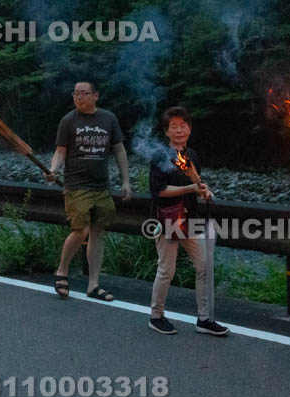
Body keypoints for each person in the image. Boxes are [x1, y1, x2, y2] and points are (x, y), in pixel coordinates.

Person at [147, 106, 228, 336]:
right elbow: (159, 191)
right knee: (166, 270)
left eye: (183, 126)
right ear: (166, 131)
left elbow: (197, 182)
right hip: (168, 219)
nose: (179, 130)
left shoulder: (191, 155)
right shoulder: (160, 156)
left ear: (190, 129)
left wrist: (203, 189)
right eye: (174, 126)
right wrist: (190, 188)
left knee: (203, 266)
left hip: (190, 218)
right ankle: (156, 316)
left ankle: (204, 319)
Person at [48, 80, 131, 301]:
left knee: (98, 232)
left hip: (101, 186)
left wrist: (126, 181)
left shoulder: (108, 118)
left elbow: (120, 150)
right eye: (75, 93)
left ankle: (93, 284)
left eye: (83, 93)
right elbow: (60, 151)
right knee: (80, 230)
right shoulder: (68, 120)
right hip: (76, 185)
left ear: (96, 95)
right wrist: (54, 169)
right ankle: (62, 269)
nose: (79, 97)